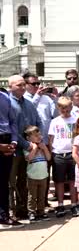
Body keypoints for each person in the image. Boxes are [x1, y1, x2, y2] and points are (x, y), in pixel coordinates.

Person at [9, 75, 43, 220]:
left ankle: (23, 209)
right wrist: (27, 144)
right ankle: (12, 211)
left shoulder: (29, 104)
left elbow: (39, 122)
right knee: (11, 182)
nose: (22, 87)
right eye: (18, 85)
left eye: (23, 84)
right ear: (10, 87)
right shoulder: (8, 104)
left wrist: (38, 140)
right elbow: (12, 129)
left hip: (31, 150)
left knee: (24, 180)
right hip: (15, 150)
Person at [48, 96, 79, 217]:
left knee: (73, 180)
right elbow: (51, 138)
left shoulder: (76, 119)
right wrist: (52, 152)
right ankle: (60, 205)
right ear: (58, 108)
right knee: (59, 181)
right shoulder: (55, 121)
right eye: (62, 109)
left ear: (71, 107)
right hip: (59, 154)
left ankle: (74, 204)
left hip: (72, 153)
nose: (65, 112)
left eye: (67, 109)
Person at [0, 90, 22, 229]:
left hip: (7, 139)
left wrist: (13, 142)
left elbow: (12, 121)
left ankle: (3, 216)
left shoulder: (4, 96)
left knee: (3, 182)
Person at [23, 125, 50, 222]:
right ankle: (31, 212)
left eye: (39, 135)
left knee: (41, 196)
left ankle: (41, 212)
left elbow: (48, 158)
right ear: (28, 138)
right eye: (35, 135)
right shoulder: (28, 148)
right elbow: (29, 158)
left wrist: (45, 149)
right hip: (32, 176)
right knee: (32, 196)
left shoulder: (43, 147)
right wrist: (34, 149)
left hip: (43, 176)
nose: (39, 137)